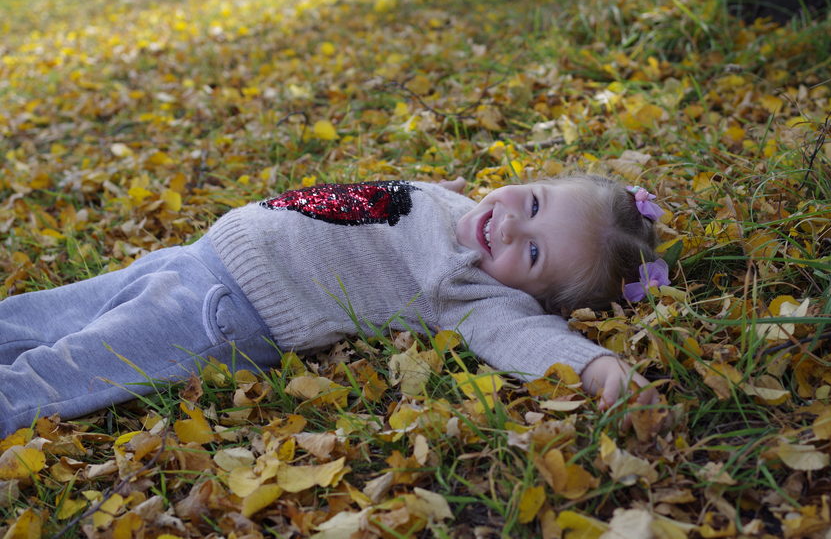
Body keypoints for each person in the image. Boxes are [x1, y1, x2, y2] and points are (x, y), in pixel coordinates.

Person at [0, 173, 665, 436]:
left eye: (535, 253)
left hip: (222, 313)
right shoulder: (467, 208)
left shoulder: (473, 293)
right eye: (535, 202)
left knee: (73, 365)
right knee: (41, 312)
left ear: (529, 293)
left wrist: (596, 366)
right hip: (194, 257)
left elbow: (525, 340)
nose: (511, 225)